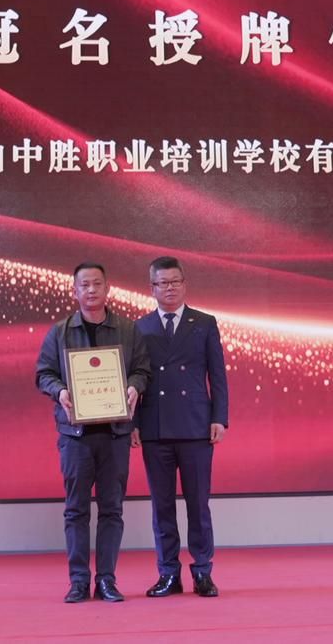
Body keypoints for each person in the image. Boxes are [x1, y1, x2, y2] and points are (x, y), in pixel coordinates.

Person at [34, 262, 150, 603]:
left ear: (107, 288)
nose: (91, 290)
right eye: (84, 285)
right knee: (76, 510)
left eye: (97, 283)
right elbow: (43, 374)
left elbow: (142, 369)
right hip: (75, 436)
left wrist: (135, 385)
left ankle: (107, 581)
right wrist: (60, 391)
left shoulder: (128, 330)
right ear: (74, 291)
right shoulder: (59, 332)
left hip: (115, 434)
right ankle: (79, 581)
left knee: (112, 510)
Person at [130, 256, 228, 598]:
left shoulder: (204, 323)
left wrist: (219, 418)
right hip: (155, 427)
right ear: (152, 288)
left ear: (184, 284)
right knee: (162, 507)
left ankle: (203, 571)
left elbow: (217, 376)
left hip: (196, 426)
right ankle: (168, 573)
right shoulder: (140, 327)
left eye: (175, 282)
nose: (169, 288)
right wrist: (134, 423)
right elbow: (135, 379)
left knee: (198, 504)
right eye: (163, 283)